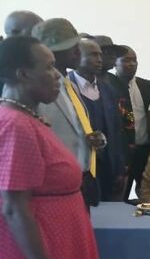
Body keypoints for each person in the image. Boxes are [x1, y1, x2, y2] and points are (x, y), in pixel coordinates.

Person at [0, 35, 112, 259]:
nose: (58, 75)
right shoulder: (15, 125)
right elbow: (14, 209)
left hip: (63, 250)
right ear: (22, 74)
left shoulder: (28, 119)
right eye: (49, 67)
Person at [33, 18, 104, 208]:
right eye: (73, 47)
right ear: (53, 51)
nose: (78, 52)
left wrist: (89, 138)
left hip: (80, 181)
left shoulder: (69, 85)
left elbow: (74, 128)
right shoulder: (38, 90)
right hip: (53, 190)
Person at [70, 38, 125, 201]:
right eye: (93, 55)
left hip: (107, 167)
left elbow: (116, 131)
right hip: (80, 167)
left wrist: (120, 169)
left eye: (100, 55)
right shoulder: (65, 87)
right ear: (77, 56)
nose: (99, 59)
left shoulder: (108, 89)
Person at [111, 46, 150, 199]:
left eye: (134, 60)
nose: (131, 64)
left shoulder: (147, 86)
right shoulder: (109, 86)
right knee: (120, 194)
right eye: (126, 60)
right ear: (114, 63)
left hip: (145, 150)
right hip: (122, 152)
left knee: (147, 195)